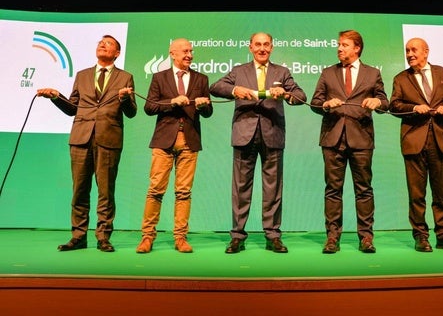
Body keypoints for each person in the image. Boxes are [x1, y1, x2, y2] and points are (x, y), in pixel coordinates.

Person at [36, 34, 137, 252]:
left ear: (117, 53)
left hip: (108, 139)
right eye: (101, 42)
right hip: (81, 138)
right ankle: (79, 236)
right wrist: (55, 96)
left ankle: (103, 237)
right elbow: (72, 107)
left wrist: (124, 98)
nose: (103, 44)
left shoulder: (125, 77)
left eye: (109, 43)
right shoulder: (82, 76)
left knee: (106, 191)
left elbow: (131, 113)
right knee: (79, 190)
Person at [210, 32, 307, 254]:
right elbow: (215, 87)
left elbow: (301, 95)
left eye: (266, 45)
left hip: (272, 134)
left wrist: (286, 94)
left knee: (273, 188)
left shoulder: (281, 72)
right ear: (250, 47)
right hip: (244, 134)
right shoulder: (239, 71)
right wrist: (235, 90)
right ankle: (237, 236)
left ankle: (272, 235)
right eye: (258, 45)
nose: (262, 48)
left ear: (272, 47)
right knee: (240, 187)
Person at [310, 29, 389, 254]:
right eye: (339, 44)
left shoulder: (372, 74)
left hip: (361, 139)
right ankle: (332, 237)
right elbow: (315, 102)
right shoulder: (327, 73)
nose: (339, 48)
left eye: (344, 44)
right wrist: (325, 104)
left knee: (363, 189)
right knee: (333, 190)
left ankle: (366, 237)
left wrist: (377, 102)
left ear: (357, 48)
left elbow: (385, 102)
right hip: (332, 138)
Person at [136, 38, 213, 254]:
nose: (189, 54)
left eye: (191, 51)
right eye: (185, 51)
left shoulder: (201, 78)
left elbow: (208, 113)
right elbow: (149, 107)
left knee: (184, 192)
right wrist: (171, 102)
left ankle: (180, 238)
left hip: (189, 141)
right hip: (163, 141)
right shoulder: (159, 78)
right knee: (155, 190)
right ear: (172, 53)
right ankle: (147, 236)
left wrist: (204, 105)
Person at [388, 37, 443, 252]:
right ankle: (421, 236)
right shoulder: (401, 78)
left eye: (414, 50)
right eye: (407, 50)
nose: (410, 54)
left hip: (441, 140)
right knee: (417, 194)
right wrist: (413, 108)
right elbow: (393, 106)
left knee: (441, 193)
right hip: (414, 142)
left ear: (426, 52)